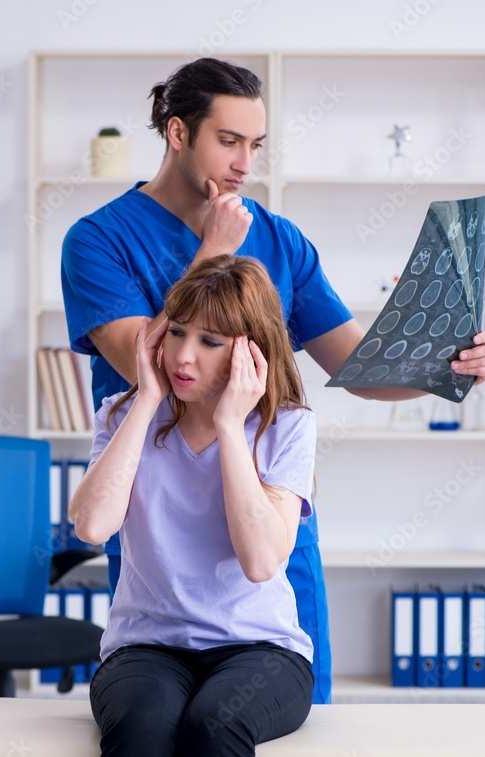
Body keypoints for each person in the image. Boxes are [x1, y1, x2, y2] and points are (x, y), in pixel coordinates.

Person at [60, 57, 485, 704]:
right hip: (163, 521)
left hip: (268, 504)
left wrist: (443, 366)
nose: (244, 163)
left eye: (255, 145)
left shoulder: (280, 239)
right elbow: (148, 367)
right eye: (228, 141)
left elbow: (357, 366)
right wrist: (214, 251)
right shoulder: (98, 240)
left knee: (271, 721)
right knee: (158, 717)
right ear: (178, 133)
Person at [70, 255, 317, 756]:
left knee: (214, 726)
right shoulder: (121, 416)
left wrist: (230, 426)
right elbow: (93, 527)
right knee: (142, 726)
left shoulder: (287, 427)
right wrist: (144, 399)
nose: (184, 356)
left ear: (251, 352)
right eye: (178, 332)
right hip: (146, 646)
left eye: (209, 342)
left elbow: (260, 561)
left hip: (262, 648)